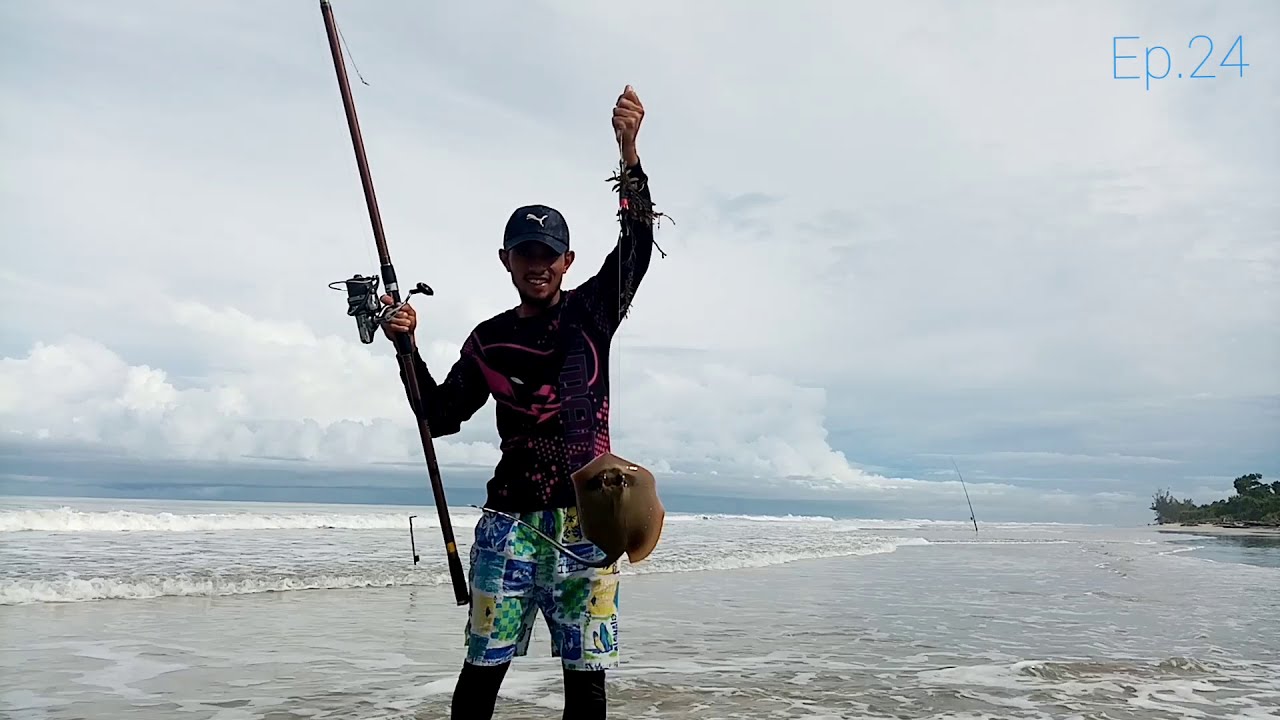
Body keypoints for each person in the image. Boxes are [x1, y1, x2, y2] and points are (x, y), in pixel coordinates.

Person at [379, 85, 658, 720]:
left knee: (586, 685)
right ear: (506, 260)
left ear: (567, 260)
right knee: (481, 677)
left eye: (549, 254)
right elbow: (440, 415)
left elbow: (637, 246)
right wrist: (406, 345)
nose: (538, 265)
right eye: (526, 255)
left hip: (588, 526)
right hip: (508, 524)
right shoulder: (491, 339)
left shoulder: (593, 312)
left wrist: (630, 152)